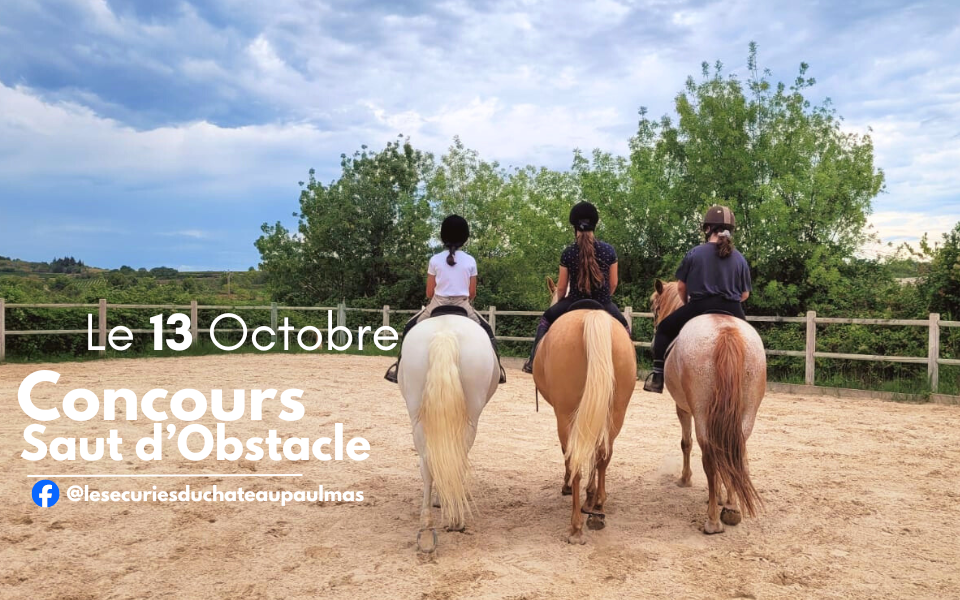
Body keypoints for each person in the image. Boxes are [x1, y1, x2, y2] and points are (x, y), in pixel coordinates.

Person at [384, 214, 506, 384]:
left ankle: (398, 368)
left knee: (408, 327)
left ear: (443, 236)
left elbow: (429, 292)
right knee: (487, 331)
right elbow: (472, 293)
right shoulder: (470, 260)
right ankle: (498, 369)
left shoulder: (434, 260)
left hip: (437, 304)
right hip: (463, 304)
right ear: (465, 237)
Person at [642, 205, 752, 393]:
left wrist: (687, 304)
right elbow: (745, 295)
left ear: (708, 229)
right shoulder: (740, 258)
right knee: (751, 342)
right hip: (733, 308)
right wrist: (729, 301)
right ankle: (751, 379)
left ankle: (658, 375)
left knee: (663, 329)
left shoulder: (695, 253)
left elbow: (681, 287)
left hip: (700, 305)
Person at [522, 201, 630, 374]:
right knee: (625, 327)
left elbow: (562, 288)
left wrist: (561, 298)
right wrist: (604, 298)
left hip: (573, 301)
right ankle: (629, 368)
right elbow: (614, 283)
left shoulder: (568, 252)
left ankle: (533, 361)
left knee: (545, 319)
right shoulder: (609, 251)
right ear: (594, 225)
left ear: (575, 228)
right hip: (603, 303)